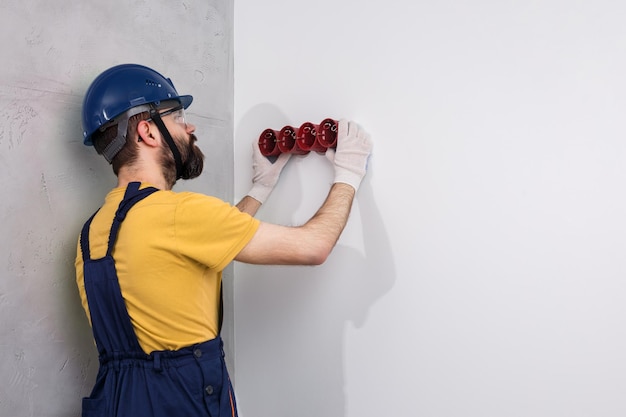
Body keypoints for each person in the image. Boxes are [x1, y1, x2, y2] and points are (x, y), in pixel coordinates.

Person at [75, 63, 372, 417]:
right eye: (177, 116)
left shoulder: (92, 232)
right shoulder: (179, 213)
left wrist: (260, 190)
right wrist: (349, 174)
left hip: (118, 401)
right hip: (182, 399)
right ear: (147, 132)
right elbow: (314, 246)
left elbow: (203, 243)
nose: (190, 126)